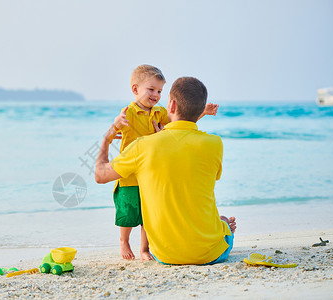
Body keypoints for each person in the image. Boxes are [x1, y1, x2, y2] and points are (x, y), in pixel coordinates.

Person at [95, 76, 236, 265]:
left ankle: (220, 222)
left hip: (165, 255)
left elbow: (100, 175)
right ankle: (221, 223)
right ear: (199, 110)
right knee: (223, 223)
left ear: (171, 106)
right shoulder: (215, 144)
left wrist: (107, 138)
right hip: (211, 254)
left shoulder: (143, 146)